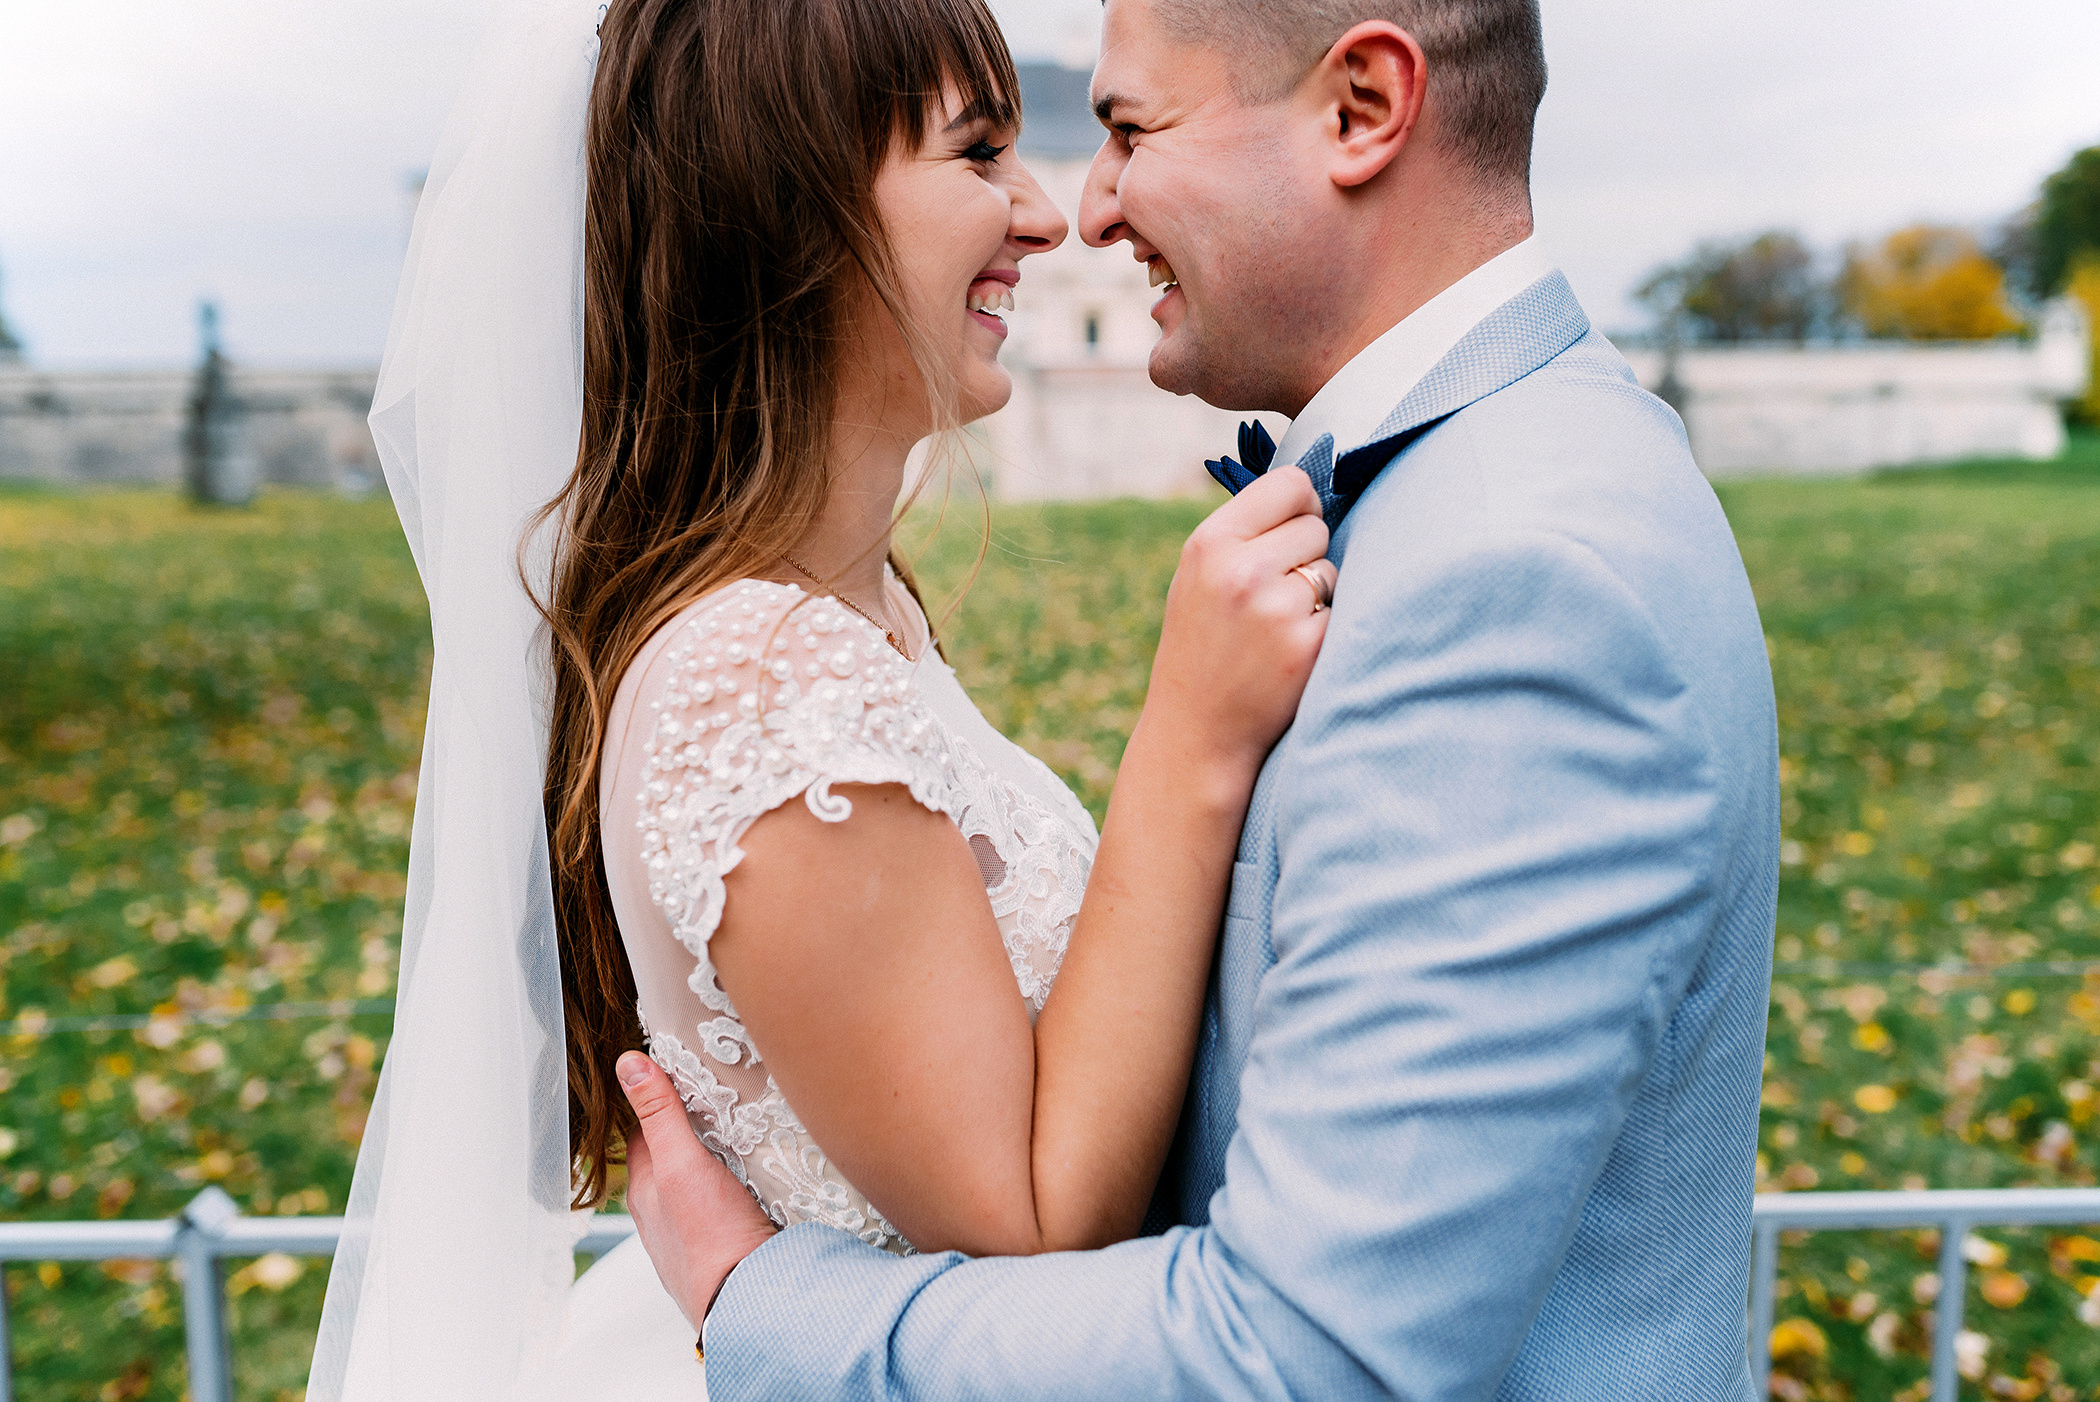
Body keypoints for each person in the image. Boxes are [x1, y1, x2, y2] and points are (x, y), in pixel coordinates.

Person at [617, 0, 1780, 1398]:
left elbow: (1310, 1353)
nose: (1081, 210)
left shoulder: (1518, 575)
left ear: (1362, 109)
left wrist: (761, 1301)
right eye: (993, 151)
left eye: (1124, 130)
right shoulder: (1512, 483)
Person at [308, 0, 1337, 1397]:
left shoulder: (852, 617)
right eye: (978, 156)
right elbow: (1026, 1229)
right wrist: (1193, 732)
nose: (1047, 217)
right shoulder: (756, 674)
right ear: (788, 217)